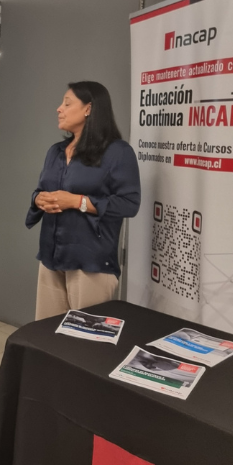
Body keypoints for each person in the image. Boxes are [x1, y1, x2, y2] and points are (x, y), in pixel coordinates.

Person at [26, 81, 140, 320]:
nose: (59, 108)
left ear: (88, 109)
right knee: (48, 338)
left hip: (91, 263)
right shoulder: (55, 151)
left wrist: (78, 201)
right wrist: (39, 200)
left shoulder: (118, 152)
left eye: (67, 103)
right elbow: (40, 190)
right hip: (51, 258)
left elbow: (129, 203)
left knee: (86, 346)